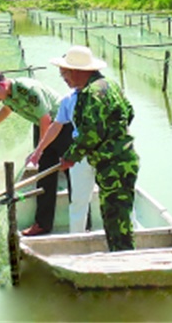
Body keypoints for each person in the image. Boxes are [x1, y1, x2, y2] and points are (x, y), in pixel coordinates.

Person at [50, 45, 139, 252]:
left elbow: (90, 133)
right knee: (117, 216)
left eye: (64, 74)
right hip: (121, 159)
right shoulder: (110, 85)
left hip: (114, 166)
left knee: (116, 220)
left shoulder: (92, 94)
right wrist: (115, 137)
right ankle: (124, 257)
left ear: (77, 71)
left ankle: (125, 261)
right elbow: (130, 113)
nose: (64, 78)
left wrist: (71, 157)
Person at [0, 71, 73, 236]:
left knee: (72, 173)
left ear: (2, 85)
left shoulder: (28, 90)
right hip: (44, 127)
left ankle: (82, 223)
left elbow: (46, 119)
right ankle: (43, 224)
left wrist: (39, 150)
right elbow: (7, 109)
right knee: (44, 175)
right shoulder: (7, 94)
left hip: (62, 125)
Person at [26, 86, 96, 233]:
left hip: (100, 152)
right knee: (49, 178)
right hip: (74, 147)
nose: (64, 77)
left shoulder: (101, 94)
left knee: (82, 188)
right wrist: (39, 150)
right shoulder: (67, 99)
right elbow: (55, 125)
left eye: (66, 72)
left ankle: (90, 228)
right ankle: (47, 225)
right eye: (63, 73)